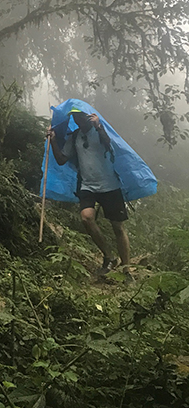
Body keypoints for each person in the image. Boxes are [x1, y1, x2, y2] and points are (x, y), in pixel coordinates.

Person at [47, 108, 133, 283]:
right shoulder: (75, 136)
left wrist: (99, 126)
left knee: (117, 227)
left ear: (88, 116)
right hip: (88, 185)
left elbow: (110, 145)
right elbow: (62, 159)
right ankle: (109, 257)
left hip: (110, 185)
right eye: (75, 117)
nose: (78, 120)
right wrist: (53, 141)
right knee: (86, 217)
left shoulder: (100, 130)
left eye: (81, 116)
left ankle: (126, 269)